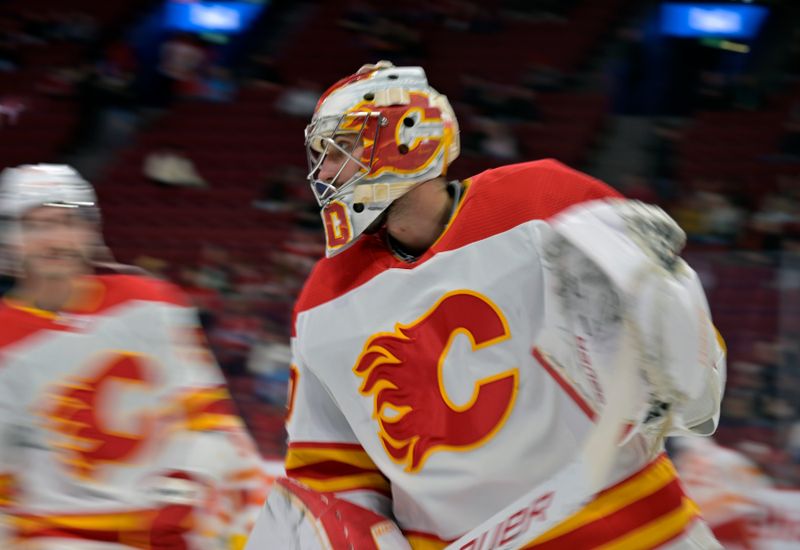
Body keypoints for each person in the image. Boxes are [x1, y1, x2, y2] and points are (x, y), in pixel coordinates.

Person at [246, 62, 727, 549]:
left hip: (638, 536)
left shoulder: (545, 201)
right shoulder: (322, 298)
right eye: (321, 156)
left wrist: (672, 335)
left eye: (341, 151)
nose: (323, 172)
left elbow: (686, 374)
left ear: (407, 140)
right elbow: (333, 473)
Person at [0, 164, 268, 549]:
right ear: (10, 237)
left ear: (89, 229)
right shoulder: (5, 343)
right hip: (64, 535)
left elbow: (212, 419)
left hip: (178, 524)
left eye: (67, 222)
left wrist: (190, 480)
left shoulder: (150, 303)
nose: (55, 239)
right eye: (37, 225)